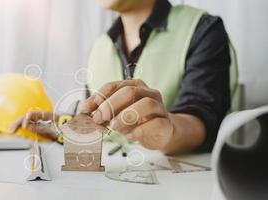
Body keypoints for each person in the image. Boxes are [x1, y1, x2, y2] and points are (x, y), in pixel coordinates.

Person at [12, 0, 236, 154]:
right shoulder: (99, 46)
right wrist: (66, 128)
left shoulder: (203, 28)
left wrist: (167, 131)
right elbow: (97, 127)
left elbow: (203, 118)